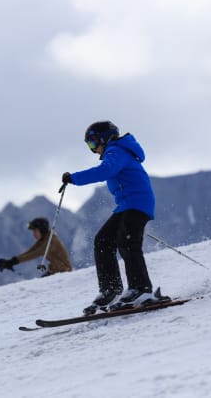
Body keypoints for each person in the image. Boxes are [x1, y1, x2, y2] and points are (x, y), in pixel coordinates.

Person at [62, 121, 165, 315]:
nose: (93, 150)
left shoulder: (116, 151)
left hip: (137, 203)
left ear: (105, 138)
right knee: (103, 241)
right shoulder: (115, 153)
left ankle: (140, 289)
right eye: (89, 146)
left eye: (93, 143)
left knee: (126, 243)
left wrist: (73, 178)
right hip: (126, 206)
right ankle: (111, 289)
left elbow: (104, 172)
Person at [0, 217, 73, 276]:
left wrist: (12, 262)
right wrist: (11, 261)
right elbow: (30, 251)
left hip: (64, 273)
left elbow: (36, 253)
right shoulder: (44, 238)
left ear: (42, 230)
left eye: (35, 231)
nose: (33, 234)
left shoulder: (51, 241)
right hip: (54, 271)